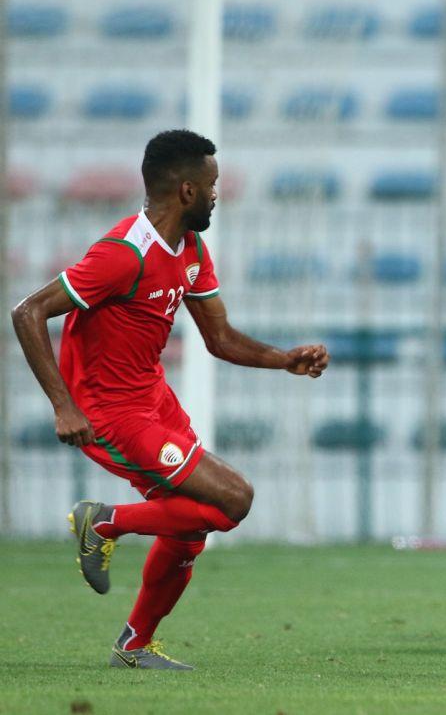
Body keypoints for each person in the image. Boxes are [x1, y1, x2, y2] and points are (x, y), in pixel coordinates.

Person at [10, 129, 330, 669]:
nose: (215, 196)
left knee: (191, 531)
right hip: (111, 413)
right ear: (186, 191)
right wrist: (64, 406)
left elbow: (221, 340)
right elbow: (28, 312)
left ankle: (133, 647)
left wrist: (284, 359)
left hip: (154, 400)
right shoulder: (123, 255)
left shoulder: (190, 249)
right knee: (234, 499)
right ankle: (105, 522)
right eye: (212, 186)